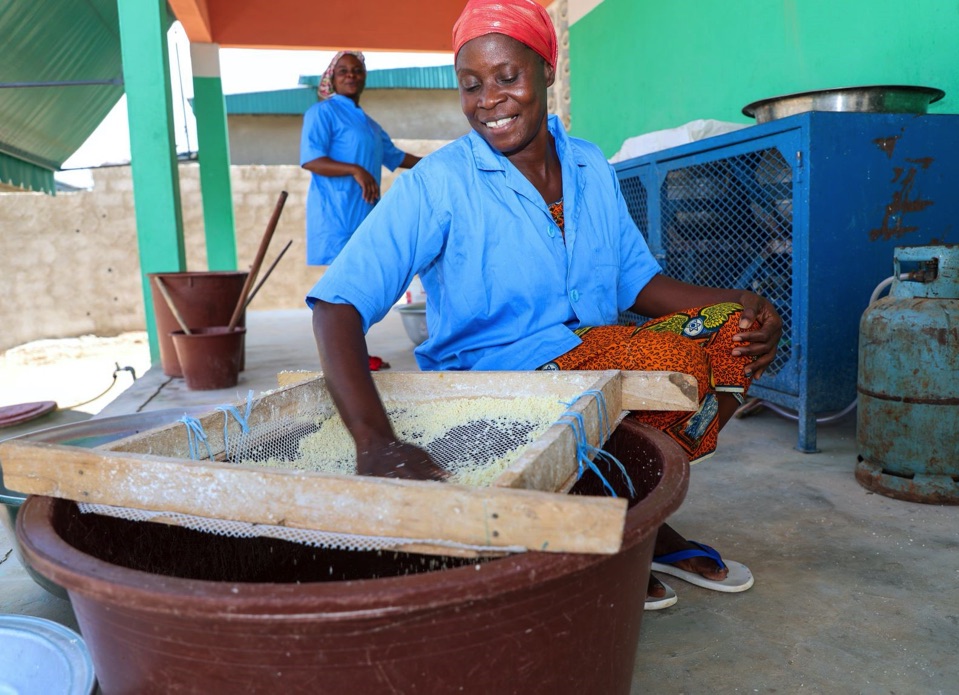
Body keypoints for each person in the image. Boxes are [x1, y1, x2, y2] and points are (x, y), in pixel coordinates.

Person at [307, 0, 782, 610]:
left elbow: (636, 282)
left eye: (508, 77)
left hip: (591, 357)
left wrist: (740, 302)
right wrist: (374, 441)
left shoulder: (589, 164)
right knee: (661, 361)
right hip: (498, 383)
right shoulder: (439, 182)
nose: (490, 101)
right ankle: (618, 526)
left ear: (547, 71)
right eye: (471, 85)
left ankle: (625, 510)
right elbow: (337, 305)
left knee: (731, 336)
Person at [301, 51, 422, 371]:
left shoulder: (368, 124)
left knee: (358, 285)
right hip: (336, 212)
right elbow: (311, 159)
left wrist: (439, 164)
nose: (351, 75)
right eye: (343, 70)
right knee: (341, 289)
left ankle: (353, 353)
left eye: (356, 70)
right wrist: (356, 169)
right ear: (331, 77)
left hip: (364, 215)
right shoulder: (322, 113)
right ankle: (345, 359)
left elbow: (396, 157)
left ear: (364, 77)